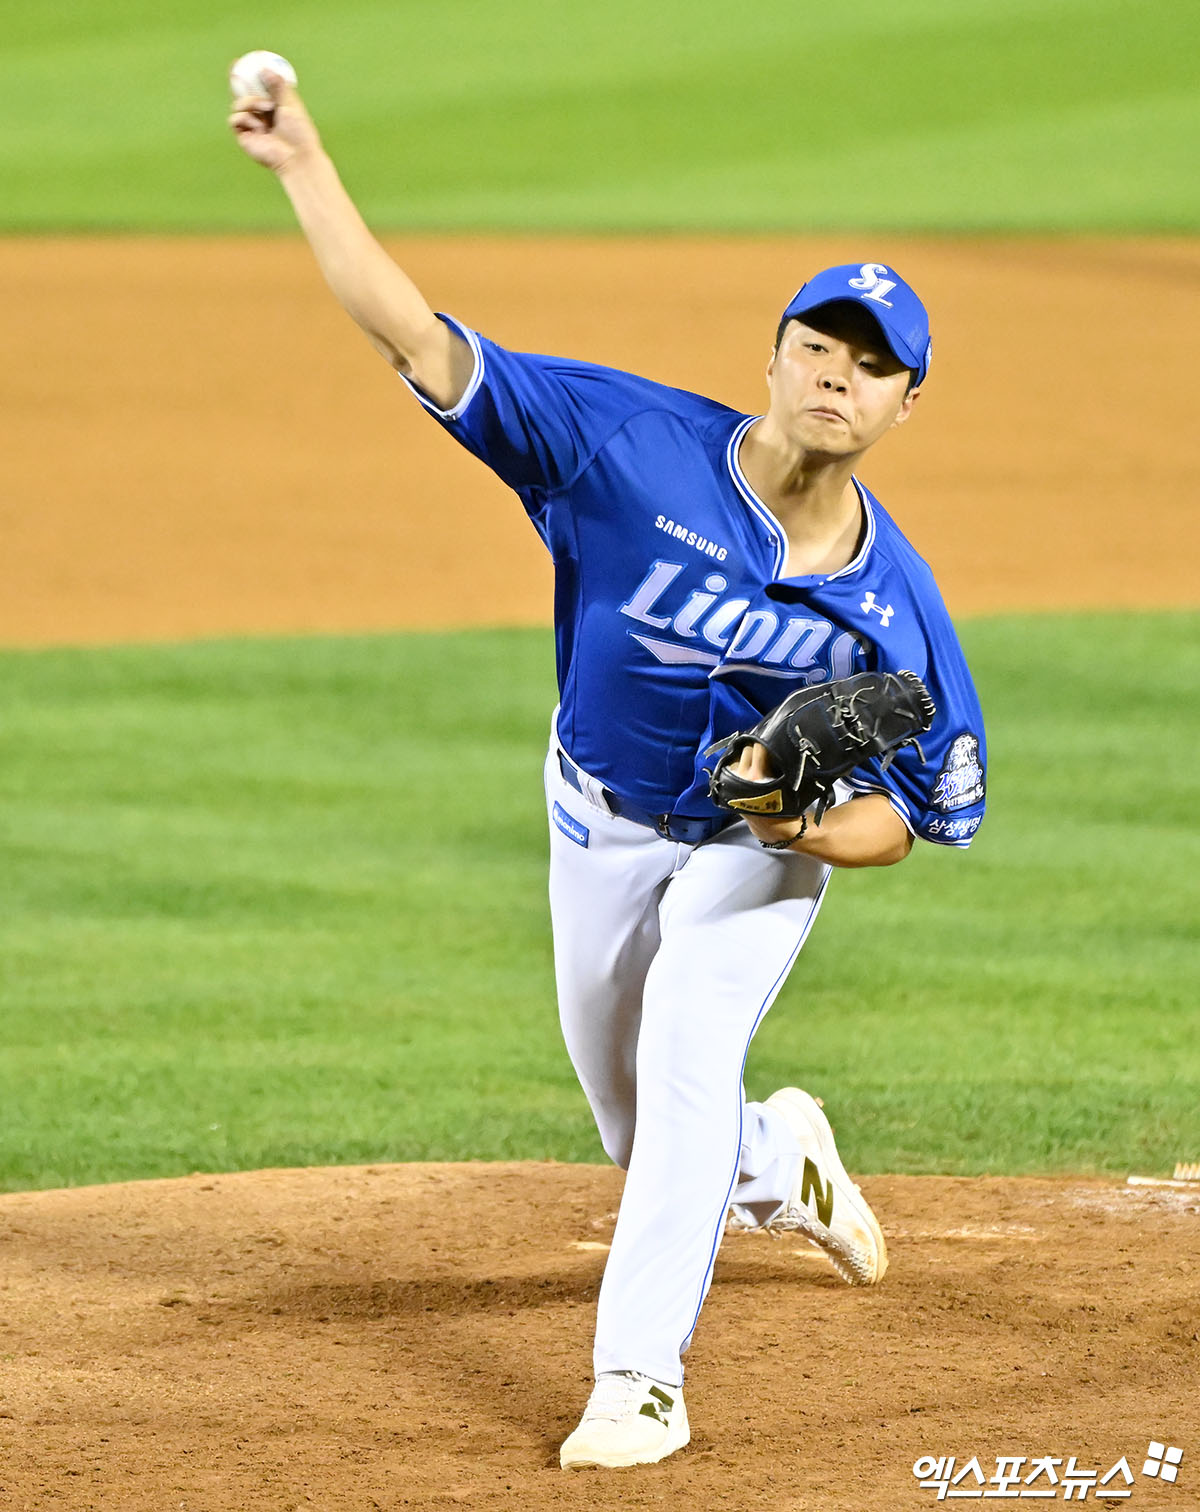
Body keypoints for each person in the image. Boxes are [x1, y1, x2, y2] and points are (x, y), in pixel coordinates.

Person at [230, 71, 988, 1471]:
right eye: (818, 346)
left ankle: (641, 1380)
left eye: (870, 364)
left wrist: (810, 829)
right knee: (643, 1127)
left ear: (904, 402)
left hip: (753, 853)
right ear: (774, 356)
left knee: (690, 1043)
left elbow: (923, 815)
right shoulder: (623, 444)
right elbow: (418, 338)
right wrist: (305, 168)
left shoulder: (898, 614)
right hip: (596, 819)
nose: (837, 375)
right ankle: (788, 1161)